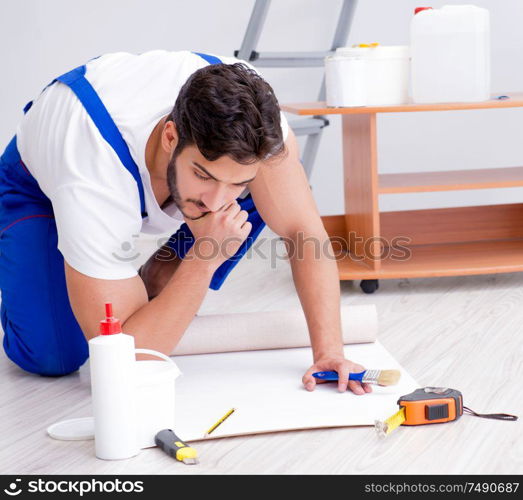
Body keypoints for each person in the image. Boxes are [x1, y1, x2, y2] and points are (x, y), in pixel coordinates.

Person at [0, 49, 371, 396]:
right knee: (55, 357)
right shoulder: (91, 172)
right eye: (204, 174)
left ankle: (155, 279)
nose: (218, 201)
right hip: (37, 186)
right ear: (170, 135)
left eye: (237, 183)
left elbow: (304, 232)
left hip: (128, 168)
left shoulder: (256, 120)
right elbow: (126, 361)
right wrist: (205, 256)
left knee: (264, 199)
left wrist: (329, 353)